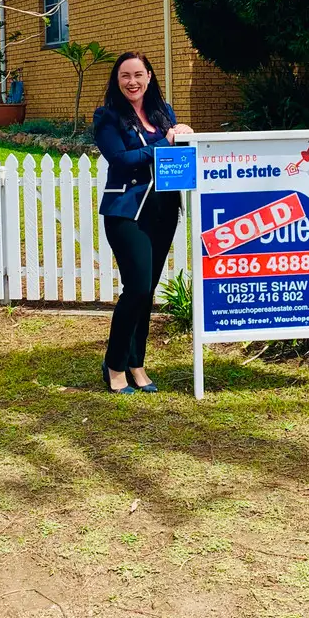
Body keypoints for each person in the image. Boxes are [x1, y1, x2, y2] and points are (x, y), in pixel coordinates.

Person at [93, 52, 194, 394]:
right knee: (135, 289)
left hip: (163, 212)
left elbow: (176, 156)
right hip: (126, 213)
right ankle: (115, 365)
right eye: (125, 76)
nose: (132, 82)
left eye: (138, 74)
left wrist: (183, 135)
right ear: (117, 80)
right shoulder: (107, 116)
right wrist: (162, 143)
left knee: (146, 292)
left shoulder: (163, 113)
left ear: (149, 77)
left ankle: (137, 363)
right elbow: (121, 159)